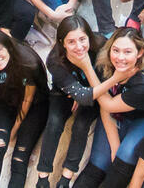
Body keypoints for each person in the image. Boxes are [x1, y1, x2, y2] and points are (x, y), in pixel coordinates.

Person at [77, 28, 144, 188]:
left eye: (127, 51)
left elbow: (108, 103)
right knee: (98, 164)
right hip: (118, 111)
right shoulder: (107, 63)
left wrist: (87, 68)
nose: (120, 58)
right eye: (115, 50)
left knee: (123, 159)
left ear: (140, 53)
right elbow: (106, 105)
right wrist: (114, 144)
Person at [0, 28, 50, 188]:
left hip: (34, 105)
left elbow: (28, 99)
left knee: (19, 158)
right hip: (5, 100)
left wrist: (14, 129)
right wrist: (4, 136)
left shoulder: (28, 63)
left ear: (7, 46)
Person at [39, 17, 105, 188]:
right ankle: (42, 177)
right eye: (71, 41)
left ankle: (65, 178)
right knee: (53, 123)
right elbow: (79, 95)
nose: (79, 46)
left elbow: (100, 88)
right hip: (65, 92)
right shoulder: (54, 60)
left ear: (89, 37)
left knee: (81, 125)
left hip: (95, 93)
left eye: (82, 39)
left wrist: (85, 69)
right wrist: (76, 93)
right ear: (63, 43)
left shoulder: (101, 47)